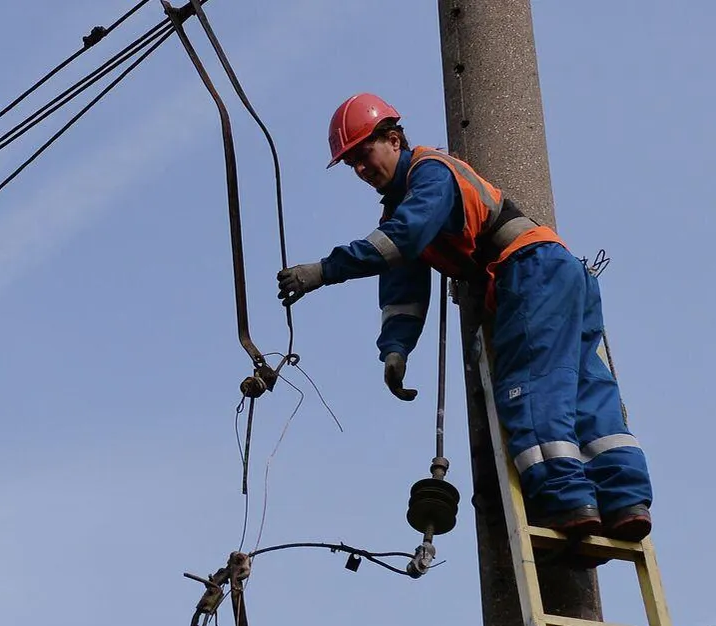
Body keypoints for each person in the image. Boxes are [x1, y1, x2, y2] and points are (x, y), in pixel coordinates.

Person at [275, 93, 652, 541]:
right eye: (351, 163)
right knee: (585, 387)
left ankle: (567, 502)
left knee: (529, 387)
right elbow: (403, 285)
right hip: (560, 272)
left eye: (363, 153)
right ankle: (624, 498)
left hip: (529, 272)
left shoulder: (430, 172)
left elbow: (403, 239)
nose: (360, 169)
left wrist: (323, 270)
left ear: (394, 139)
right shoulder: (405, 203)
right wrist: (394, 350)